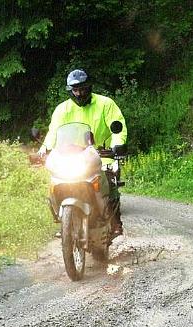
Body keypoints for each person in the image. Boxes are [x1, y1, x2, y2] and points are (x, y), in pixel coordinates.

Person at [38, 69, 127, 236]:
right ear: (70, 90)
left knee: (110, 184)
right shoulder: (62, 109)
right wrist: (44, 149)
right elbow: (53, 132)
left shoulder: (105, 104)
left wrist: (117, 146)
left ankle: (115, 222)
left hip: (102, 157)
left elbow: (118, 128)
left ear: (89, 87)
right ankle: (64, 221)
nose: (79, 93)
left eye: (83, 89)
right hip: (72, 158)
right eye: (75, 90)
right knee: (57, 181)